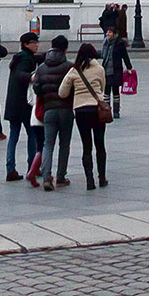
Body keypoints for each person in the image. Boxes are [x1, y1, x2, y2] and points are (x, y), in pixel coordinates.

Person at [57, 42, 109, 191]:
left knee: (87, 146)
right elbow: (102, 88)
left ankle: (89, 181)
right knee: (100, 144)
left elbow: (62, 93)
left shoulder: (74, 70)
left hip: (81, 111)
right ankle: (102, 178)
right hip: (97, 109)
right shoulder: (99, 69)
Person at [33, 34, 73, 191]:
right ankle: (61, 177)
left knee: (48, 144)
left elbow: (37, 87)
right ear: (65, 49)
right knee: (64, 144)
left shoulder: (42, 67)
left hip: (49, 109)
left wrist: (46, 96)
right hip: (66, 108)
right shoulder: (69, 67)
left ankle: (46, 177)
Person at [2, 31, 42, 183]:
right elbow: (20, 74)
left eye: (37, 42)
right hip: (23, 105)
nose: (36, 45)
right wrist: (31, 77)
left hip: (13, 104)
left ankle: (10, 168)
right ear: (26, 44)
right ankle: (32, 167)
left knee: (14, 136)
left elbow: (38, 58)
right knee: (32, 135)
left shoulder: (21, 57)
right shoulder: (25, 58)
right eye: (33, 43)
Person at [99, 24, 132, 119]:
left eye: (110, 32)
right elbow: (102, 54)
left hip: (116, 70)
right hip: (106, 70)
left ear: (114, 34)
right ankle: (107, 110)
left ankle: (116, 111)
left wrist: (129, 67)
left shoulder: (119, 43)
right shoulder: (105, 43)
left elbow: (125, 56)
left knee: (116, 91)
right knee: (106, 92)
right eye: (107, 32)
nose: (108, 34)